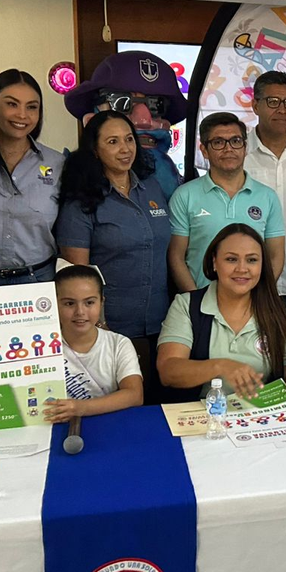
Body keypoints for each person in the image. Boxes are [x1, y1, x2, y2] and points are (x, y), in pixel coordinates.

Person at [55, 111, 171, 402]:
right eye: (113, 141)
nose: (125, 148)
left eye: (129, 139)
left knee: (157, 408)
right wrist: (96, 323)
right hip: (112, 329)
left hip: (160, 323)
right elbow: (76, 273)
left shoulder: (152, 187)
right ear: (95, 150)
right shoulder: (82, 201)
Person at [156, 223, 286, 401]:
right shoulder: (187, 305)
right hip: (202, 418)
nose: (242, 269)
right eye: (231, 259)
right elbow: (168, 370)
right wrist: (220, 366)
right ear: (214, 262)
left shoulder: (282, 312)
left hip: (260, 418)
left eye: (252, 260)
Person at [0, 69, 64, 287]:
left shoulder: (57, 164)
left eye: (32, 107)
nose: (22, 115)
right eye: (12, 104)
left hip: (40, 282)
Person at [168, 112, 285, 293]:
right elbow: (176, 257)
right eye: (218, 142)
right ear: (204, 150)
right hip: (201, 303)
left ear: (245, 148)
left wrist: (259, 296)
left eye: (236, 141)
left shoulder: (267, 197)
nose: (228, 149)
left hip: (252, 304)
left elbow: (276, 256)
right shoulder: (185, 195)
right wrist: (194, 301)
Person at [62, 50, 189, 201]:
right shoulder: (64, 181)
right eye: (122, 103)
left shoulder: (183, 189)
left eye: (156, 105)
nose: (143, 120)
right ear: (91, 121)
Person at [245, 71, 286, 342]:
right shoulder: (239, 155)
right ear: (255, 105)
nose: (282, 110)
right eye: (273, 101)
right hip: (248, 281)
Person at [44, 263, 143, 422]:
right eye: (69, 303)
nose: (80, 312)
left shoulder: (118, 344)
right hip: (53, 427)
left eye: (89, 302)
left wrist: (81, 408)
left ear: (101, 302)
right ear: (54, 304)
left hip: (108, 425)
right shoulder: (40, 346)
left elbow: (134, 394)